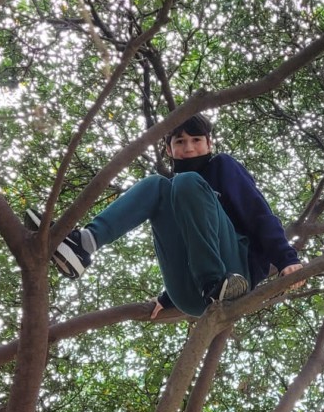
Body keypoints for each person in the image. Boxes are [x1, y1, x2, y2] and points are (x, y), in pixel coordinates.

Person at [26, 114, 302, 317]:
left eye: (196, 140)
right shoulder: (170, 192)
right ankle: (84, 243)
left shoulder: (222, 167)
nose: (189, 147)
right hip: (189, 297)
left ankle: (215, 281)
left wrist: (286, 259)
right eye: (180, 141)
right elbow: (185, 243)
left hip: (234, 275)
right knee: (157, 185)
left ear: (209, 143)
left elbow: (259, 214)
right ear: (169, 149)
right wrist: (168, 297)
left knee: (185, 182)